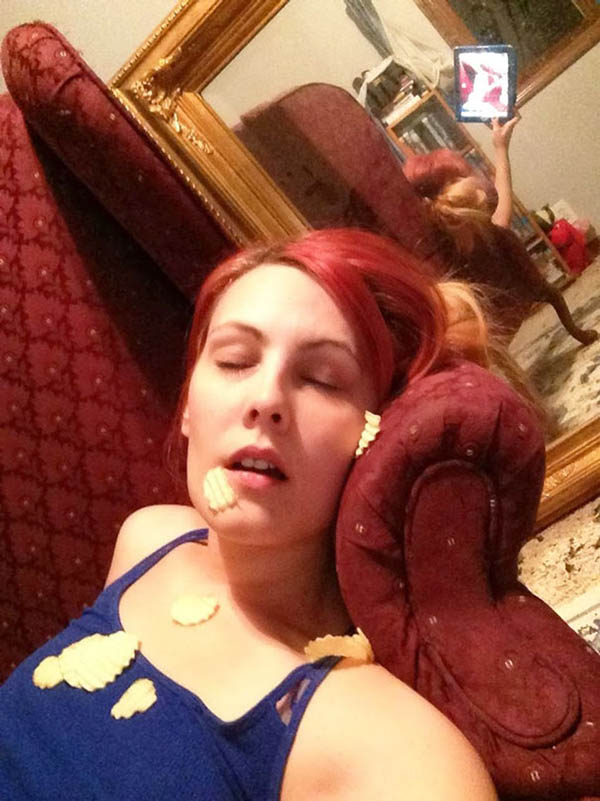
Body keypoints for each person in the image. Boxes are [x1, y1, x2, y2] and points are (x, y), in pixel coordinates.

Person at [0, 228, 499, 800]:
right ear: (188, 408)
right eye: (235, 360)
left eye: (322, 378)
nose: (266, 398)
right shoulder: (150, 538)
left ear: (379, 434)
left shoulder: (391, 754)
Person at [403, 117, 598, 345]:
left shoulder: (463, 234)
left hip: (505, 283)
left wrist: (500, 148)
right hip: (494, 297)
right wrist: (500, 149)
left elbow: (501, 212)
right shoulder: (450, 244)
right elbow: (501, 212)